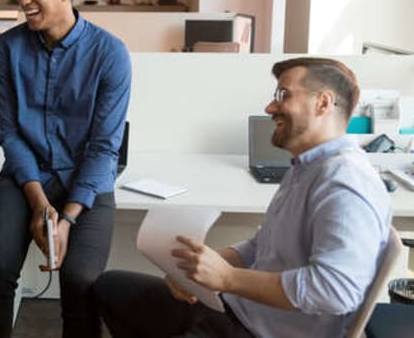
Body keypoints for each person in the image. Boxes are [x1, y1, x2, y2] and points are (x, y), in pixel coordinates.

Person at [94, 57, 392, 338]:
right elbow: (261, 246)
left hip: (262, 331)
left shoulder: (345, 182)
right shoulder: (306, 166)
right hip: (237, 308)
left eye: (283, 94)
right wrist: (195, 271)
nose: (269, 106)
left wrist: (227, 278)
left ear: (323, 102)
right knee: (109, 287)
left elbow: (335, 290)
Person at [0, 0, 131, 338]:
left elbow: (103, 146)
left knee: (80, 282)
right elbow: (9, 133)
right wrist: (40, 205)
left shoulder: (110, 54)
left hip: (87, 180)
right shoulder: (5, 49)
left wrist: (68, 218)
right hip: (26, 176)